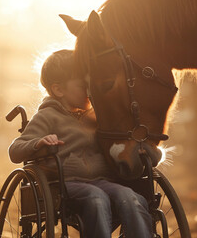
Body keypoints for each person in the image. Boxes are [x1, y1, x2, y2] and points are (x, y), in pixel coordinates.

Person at [8, 49, 152, 238]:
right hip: (65, 185)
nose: (90, 90)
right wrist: (39, 143)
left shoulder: (98, 116)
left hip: (103, 181)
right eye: (83, 85)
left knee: (130, 197)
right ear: (59, 89)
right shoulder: (47, 116)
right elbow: (15, 150)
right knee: (96, 198)